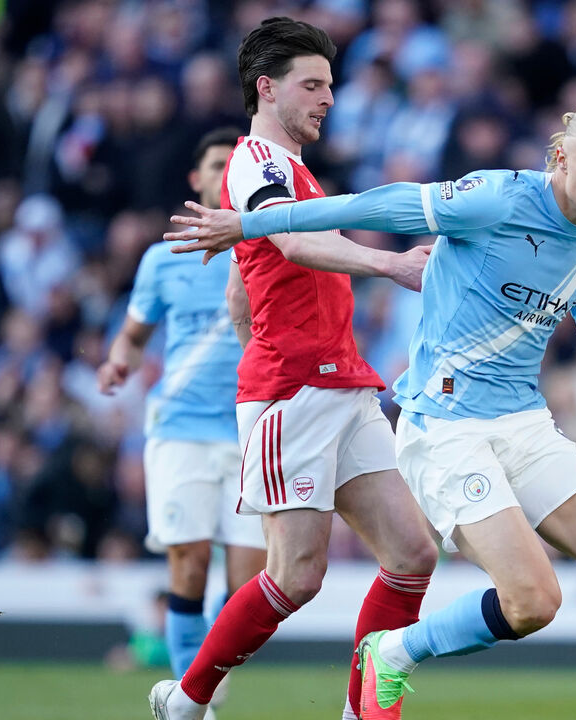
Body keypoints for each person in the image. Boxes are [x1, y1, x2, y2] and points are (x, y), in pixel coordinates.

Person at [165, 102, 576, 720]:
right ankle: (394, 652)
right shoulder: (495, 199)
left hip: (525, 423)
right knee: (533, 600)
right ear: (561, 157)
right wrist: (249, 225)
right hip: (446, 426)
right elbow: (371, 205)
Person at [148, 18, 438, 720]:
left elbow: (242, 287)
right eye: (313, 85)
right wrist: (387, 262)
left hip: (343, 381)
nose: (328, 98)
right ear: (266, 87)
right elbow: (293, 241)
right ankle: (186, 699)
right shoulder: (255, 163)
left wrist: (265, 330)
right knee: (297, 576)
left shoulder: (297, 171)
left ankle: (366, 710)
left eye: (331, 86)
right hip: (296, 391)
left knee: (413, 554)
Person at [98, 128, 267, 719]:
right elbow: (135, 333)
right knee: (188, 560)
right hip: (182, 429)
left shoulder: (273, 245)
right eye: (217, 164)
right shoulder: (161, 257)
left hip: (253, 429)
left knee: (250, 588)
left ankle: (196, 686)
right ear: (196, 180)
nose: (226, 174)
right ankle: (193, 703)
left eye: (236, 165)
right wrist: (120, 358)